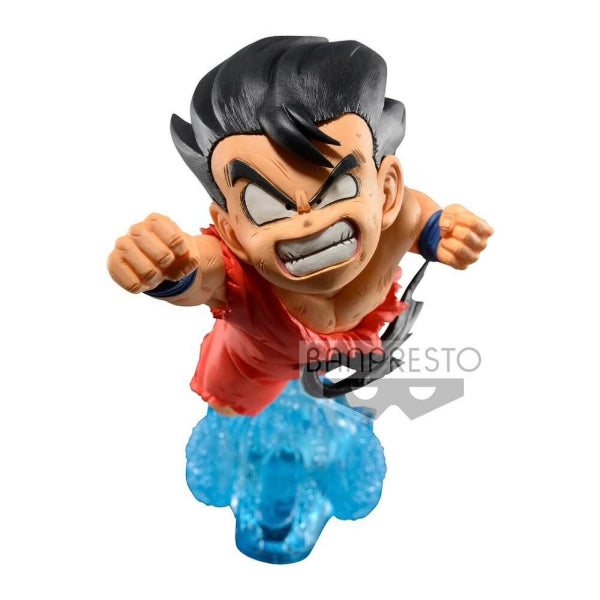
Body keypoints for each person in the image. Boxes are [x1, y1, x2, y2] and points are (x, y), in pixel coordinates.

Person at [107, 36, 493, 416]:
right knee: (230, 411)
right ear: (231, 231)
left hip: (347, 355)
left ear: (386, 192)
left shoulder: (399, 217)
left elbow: (419, 215)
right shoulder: (233, 271)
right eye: (266, 207)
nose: (309, 222)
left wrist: (443, 231)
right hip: (252, 365)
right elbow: (197, 268)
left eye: (339, 188)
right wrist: (162, 265)